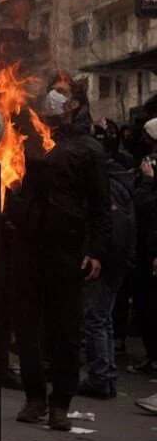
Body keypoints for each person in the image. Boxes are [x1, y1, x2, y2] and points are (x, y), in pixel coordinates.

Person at [11, 76, 111, 430]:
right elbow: (15, 184)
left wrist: (96, 252)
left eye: (62, 91)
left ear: (74, 104)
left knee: (65, 329)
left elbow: (101, 205)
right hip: (29, 244)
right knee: (26, 325)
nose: (53, 95)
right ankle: (35, 398)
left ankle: (60, 403)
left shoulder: (89, 149)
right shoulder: (32, 141)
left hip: (67, 249)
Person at [79, 149, 135, 398]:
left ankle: (100, 378)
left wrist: (98, 255)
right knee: (104, 319)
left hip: (107, 261)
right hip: (118, 261)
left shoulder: (108, 187)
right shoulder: (120, 184)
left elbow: (113, 227)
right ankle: (107, 376)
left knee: (96, 320)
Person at [128, 119, 157, 377]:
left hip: (151, 250)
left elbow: (143, 204)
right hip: (144, 247)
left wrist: (146, 182)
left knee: (149, 306)